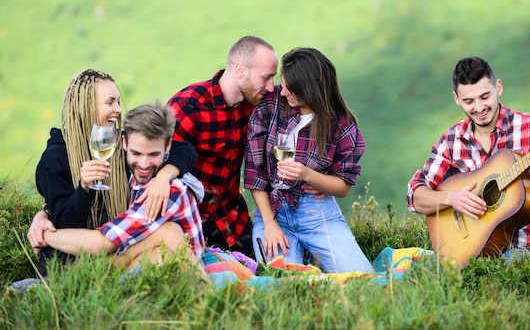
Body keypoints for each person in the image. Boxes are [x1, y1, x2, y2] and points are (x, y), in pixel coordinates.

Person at [28, 68, 197, 276]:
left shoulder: (117, 142)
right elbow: (64, 225)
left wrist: (164, 176)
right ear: (85, 106)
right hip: (69, 262)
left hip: (112, 248)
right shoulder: (54, 160)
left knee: (167, 242)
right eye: (110, 102)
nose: (118, 109)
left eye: (118, 101)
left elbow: (183, 149)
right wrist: (83, 189)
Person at [407, 56, 530, 260]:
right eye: (469, 101)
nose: (479, 108)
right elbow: (415, 196)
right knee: (421, 270)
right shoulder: (451, 140)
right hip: (470, 251)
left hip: (525, 249)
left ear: (498, 87)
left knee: (507, 270)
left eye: (485, 96)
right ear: (456, 99)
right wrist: (451, 198)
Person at [244, 47, 375, 273]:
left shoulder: (341, 124)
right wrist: (269, 224)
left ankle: (310, 254)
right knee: (284, 283)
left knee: (363, 280)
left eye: (289, 87)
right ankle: (304, 257)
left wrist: (308, 175)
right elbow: (255, 175)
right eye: (282, 83)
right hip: (274, 211)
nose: (282, 91)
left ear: (309, 89)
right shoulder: (270, 106)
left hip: (318, 214)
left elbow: (343, 187)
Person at [166, 35, 278, 259]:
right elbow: (158, 163)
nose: (271, 87)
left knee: (266, 271)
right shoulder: (189, 106)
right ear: (240, 70)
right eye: (265, 78)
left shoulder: (256, 103)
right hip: (189, 221)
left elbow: (301, 94)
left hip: (232, 217)